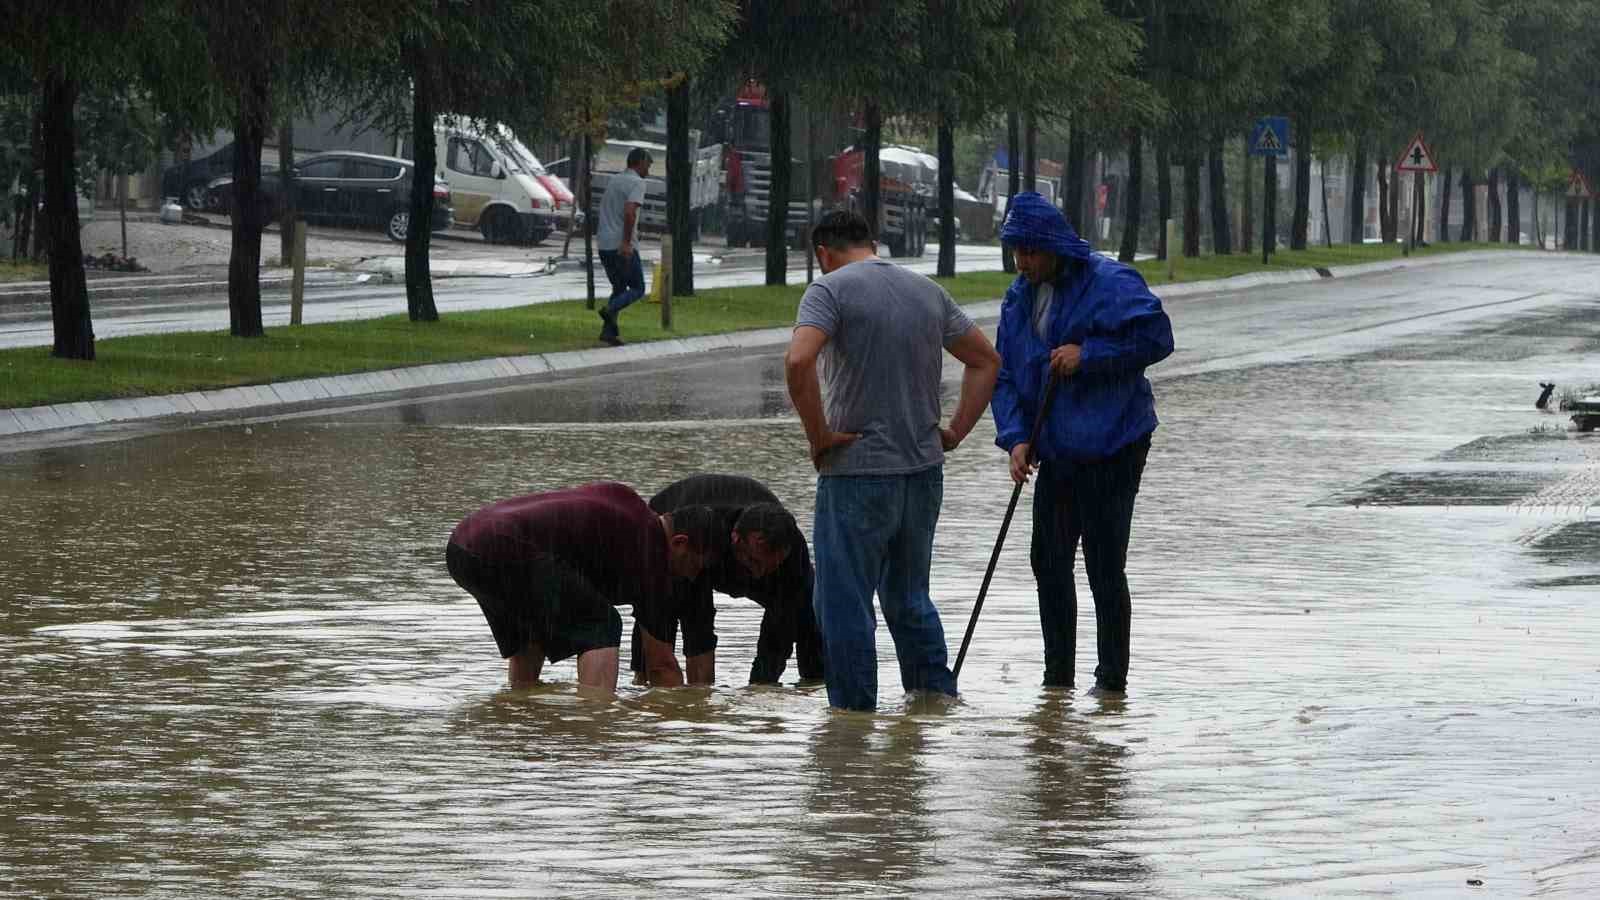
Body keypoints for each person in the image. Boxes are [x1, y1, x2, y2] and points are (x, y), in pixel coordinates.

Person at [784, 208, 1001, 711]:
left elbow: (798, 360)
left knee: (844, 603)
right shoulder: (926, 291)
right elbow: (986, 360)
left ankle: (853, 725)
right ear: (873, 242)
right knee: (909, 598)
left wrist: (819, 438)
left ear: (823, 254)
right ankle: (933, 704)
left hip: (857, 473)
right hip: (922, 472)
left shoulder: (829, 290)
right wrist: (955, 432)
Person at [990, 191, 1174, 695]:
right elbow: (1005, 376)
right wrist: (1015, 439)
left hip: (1115, 442)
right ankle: (1057, 682)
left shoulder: (1110, 282)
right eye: (1016, 252)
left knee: (1103, 562)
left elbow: (1157, 338)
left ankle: (1111, 683)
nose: (1022, 263)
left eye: (1030, 252)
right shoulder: (1018, 299)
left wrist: (1089, 355)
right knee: (1047, 560)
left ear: (1053, 247)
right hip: (1057, 448)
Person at [445, 481, 725, 691]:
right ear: (679, 543)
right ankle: (595, 725)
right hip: (503, 547)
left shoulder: (627, 505)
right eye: (696, 566)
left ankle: (521, 711)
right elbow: (661, 666)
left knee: (531, 634)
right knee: (603, 624)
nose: (692, 578)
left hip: (463, 545)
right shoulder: (649, 551)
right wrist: (685, 723)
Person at [627, 474, 824, 686]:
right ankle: (642, 685)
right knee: (662, 617)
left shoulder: (793, 557)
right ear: (735, 538)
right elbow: (698, 627)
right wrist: (698, 698)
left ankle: (814, 684)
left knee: (806, 616)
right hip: (681, 527)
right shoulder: (704, 541)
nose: (758, 575)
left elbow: (778, 635)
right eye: (754, 563)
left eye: (769, 567)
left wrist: (760, 690)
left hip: (764, 555)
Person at [594, 147, 653, 347]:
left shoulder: (615, 180)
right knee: (638, 288)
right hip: (621, 246)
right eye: (648, 164)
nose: (649, 169)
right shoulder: (637, 183)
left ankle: (608, 333)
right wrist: (627, 243)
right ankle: (610, 311)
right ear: (640, 162)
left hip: (604, 244)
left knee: (619, 287)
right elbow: (629, 213)